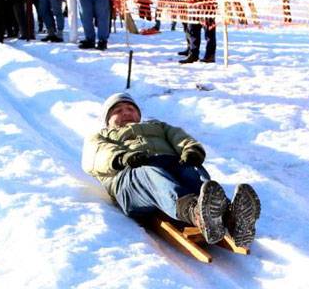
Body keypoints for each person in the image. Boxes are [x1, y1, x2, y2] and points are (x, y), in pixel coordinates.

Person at [83, 93, 261, 247]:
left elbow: (180, 138)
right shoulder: (101, 136)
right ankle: (196, 213)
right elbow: (96, 156)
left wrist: (191, 150)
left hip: (169, 167)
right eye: (118, 111)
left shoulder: (158, 126)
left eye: (130, 108)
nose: (126, 113)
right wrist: (122, 157)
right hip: (132, 182)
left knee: (190, 170)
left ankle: (230, 218)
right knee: (149, 173)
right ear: (107, 120)